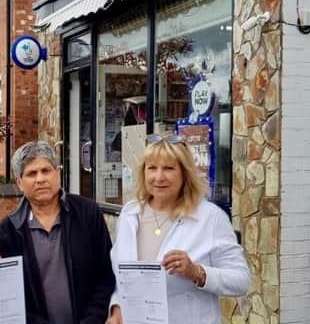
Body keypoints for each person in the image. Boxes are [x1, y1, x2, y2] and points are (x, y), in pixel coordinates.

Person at [106, 133, 250, 324]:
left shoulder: (209, 217)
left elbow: (241, 280)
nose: (159, 177)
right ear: (143, 173)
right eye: (152, 168)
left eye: (168, 168)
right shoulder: (129, 214)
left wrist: (197, 272)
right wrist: (116, 308)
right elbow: (122, 276)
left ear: (185, 173)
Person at [0, 141, 115, 324]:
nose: (40, 179)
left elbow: (105, 275)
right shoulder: (8, 230)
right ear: (19, 182)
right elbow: (8, 295)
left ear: (58, 173)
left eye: (46, 170)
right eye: (31, 173)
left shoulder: (87, 213)